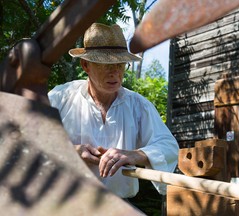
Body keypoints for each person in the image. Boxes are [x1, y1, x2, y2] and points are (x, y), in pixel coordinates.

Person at [48, 23, 179, 198]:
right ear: (86, 65)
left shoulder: (138, 105)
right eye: (106, 64)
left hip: (119, 207)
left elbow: (169, 147)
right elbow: (25, 136)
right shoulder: (60, 97)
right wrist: (71, 150)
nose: (115, 72)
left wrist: (135, 155)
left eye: (120, 64)